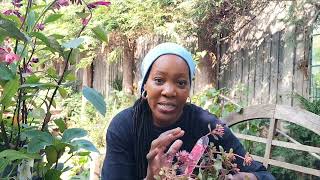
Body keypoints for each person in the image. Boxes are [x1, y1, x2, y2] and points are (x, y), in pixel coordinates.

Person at [101, 42, 275, 180]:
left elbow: (264, 175)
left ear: (189, 89)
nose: (169, 91)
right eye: (159, 80)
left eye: (181, 83)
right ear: (144, 85)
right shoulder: (124, 127)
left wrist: (244, 177)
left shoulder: (207, 126)